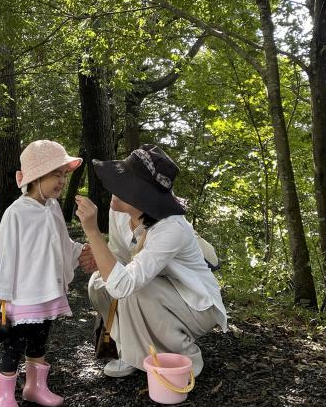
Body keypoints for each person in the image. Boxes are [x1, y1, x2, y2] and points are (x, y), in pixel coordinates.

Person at [75, 144, 227, 378]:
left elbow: (124, 283)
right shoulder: (118, 211)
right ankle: (130, 350)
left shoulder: (170, 228)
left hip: (194, 302)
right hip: (158, 289)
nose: (114, 188)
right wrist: (100, 259)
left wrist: (92, 232)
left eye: (123, 183)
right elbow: (120, 257)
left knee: (133, 290)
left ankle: (184, 358)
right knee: (98, 284)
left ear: (140, 194)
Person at [0, 140, 84, 407]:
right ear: (36, 177)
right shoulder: (16, 213)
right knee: (14, 345)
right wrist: (0, 293)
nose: (62, 181)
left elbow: (63, 243)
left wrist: (81, 253)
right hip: (22, 294)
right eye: (56, 174)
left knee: (40, 341)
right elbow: (4, 255)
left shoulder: (53, 208)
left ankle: (35, 386)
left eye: (64, 174)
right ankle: (4, 395)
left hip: (47, 290)